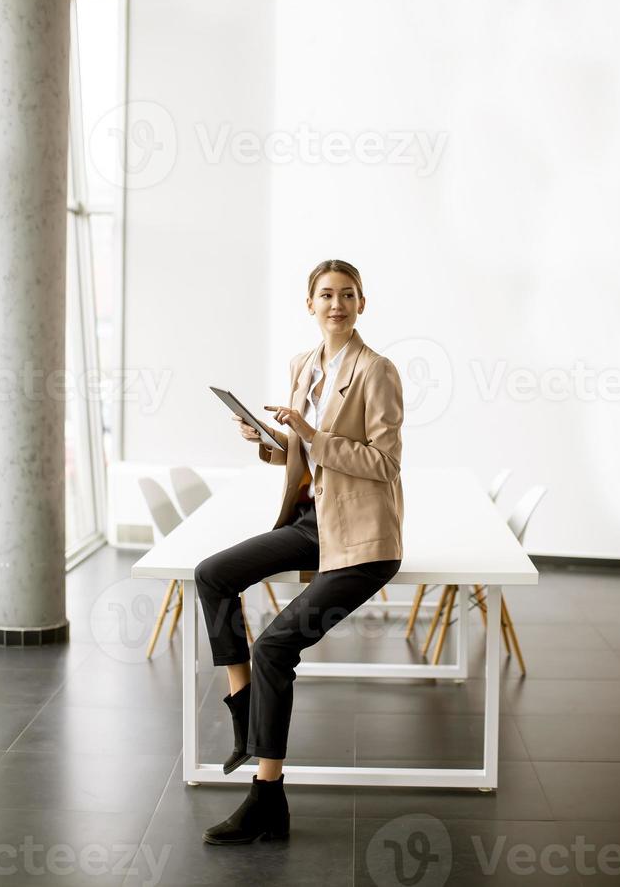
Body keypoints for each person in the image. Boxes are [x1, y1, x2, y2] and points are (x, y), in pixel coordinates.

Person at [194, 258, 404, 846]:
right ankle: (243, 707)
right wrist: (272, 445)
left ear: (362, 303)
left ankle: (267, 797)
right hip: (313, 521)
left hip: (363, 539)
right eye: (325, 295)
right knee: (212, 575)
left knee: (277, 644)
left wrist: (310, 436)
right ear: (308, 304)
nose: (336, 304)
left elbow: (384, 465)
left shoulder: (376, 370)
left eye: (347, 295)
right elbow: (305, 460)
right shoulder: (303, 365)